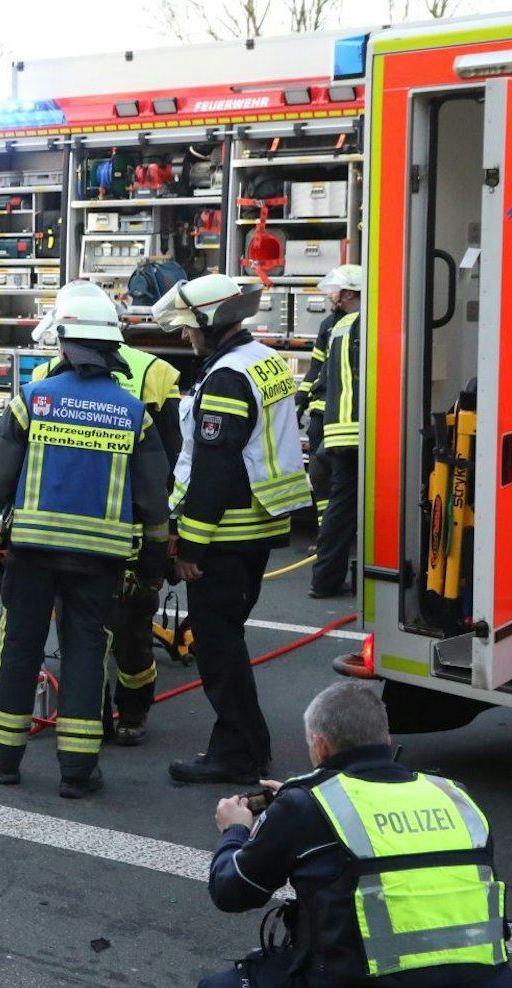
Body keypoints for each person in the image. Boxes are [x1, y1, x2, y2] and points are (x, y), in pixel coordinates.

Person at [196, 682, 512, 988]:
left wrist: (235, 830)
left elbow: (231, 891)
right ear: (385, 740)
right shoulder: (454, 796)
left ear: (320, 746)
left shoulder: (304, 808)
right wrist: (301, 795)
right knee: (409, 965)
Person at [0, 283, 183, 746]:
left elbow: (166, 468)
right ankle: (85, 748)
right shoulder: (69, 381)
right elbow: (7, 434)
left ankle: (129, 712)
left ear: (65, 333)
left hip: (87, 539)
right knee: (94, 644)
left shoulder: (152, 377)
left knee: (123, 636)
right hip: (113, 543)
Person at [0, 290, 171, 799]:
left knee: (20, 650)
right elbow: (154, 502)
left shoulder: (35, 400)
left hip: (31, 555)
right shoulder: (133, 413)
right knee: (86, 655)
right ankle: (77, 771)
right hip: (100, 561)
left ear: (65, 342)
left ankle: (2, 759)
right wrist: (153, 562)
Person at [153, 275, 312, 786]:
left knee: (218, 645)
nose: (184, 337)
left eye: (188, 328)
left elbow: (215, 469)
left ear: (211, 322)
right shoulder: (263, 359)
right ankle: (241, 745)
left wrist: (190, 545)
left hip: (227, 533)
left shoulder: (225, 376)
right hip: (259, 524)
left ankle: (240, 753)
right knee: (226, 640)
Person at [308, 266, 364, 599]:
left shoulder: (341, 326)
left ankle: (326, 578)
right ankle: (325, 580)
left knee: (340, 509)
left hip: (339, 430)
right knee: (343, 510)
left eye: (338, 291)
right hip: (358, 431)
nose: (334, 297)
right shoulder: (365, 325)